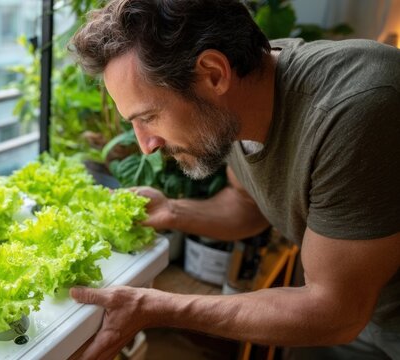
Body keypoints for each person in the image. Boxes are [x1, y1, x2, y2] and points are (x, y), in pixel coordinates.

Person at [67, 0, 400, 359]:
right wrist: (172, 211)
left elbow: (334, 312)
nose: (145, 145)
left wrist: (158, 307)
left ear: (213, 73)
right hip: (360, 305)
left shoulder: (355, 110)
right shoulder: (242, 98)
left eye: (148, 116)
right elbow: (246, 205)